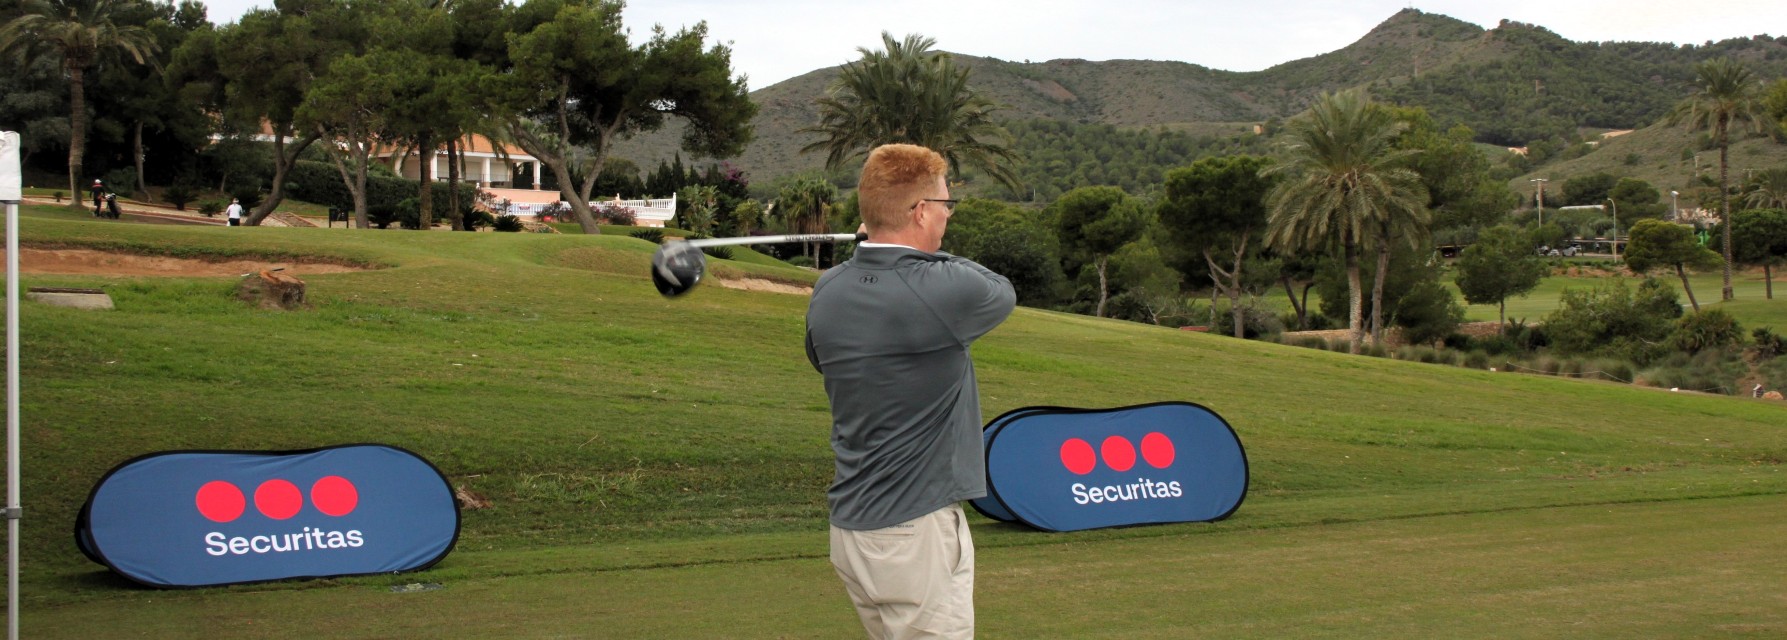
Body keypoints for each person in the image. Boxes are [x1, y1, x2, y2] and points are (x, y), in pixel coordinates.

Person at [805, 143, 1016, 639]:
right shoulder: (943, 289)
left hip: (853, 529)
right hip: (914, 530)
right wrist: (896, 248)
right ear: (921, 212)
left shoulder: (828, 288)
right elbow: (1000, 290)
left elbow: (821, 359)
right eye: (944, 205)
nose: (947, 216)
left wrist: (876, 245)